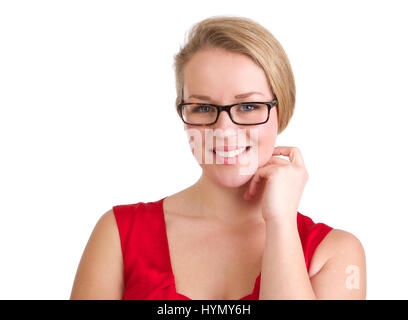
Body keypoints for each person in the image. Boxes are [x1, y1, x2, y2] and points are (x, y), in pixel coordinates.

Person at [70, 16, 366, 300]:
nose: (224, 130)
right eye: (202, 108)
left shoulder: (336, 253)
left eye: (248, 107)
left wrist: (281, 222)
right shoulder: (118, 235)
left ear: (281, 109)